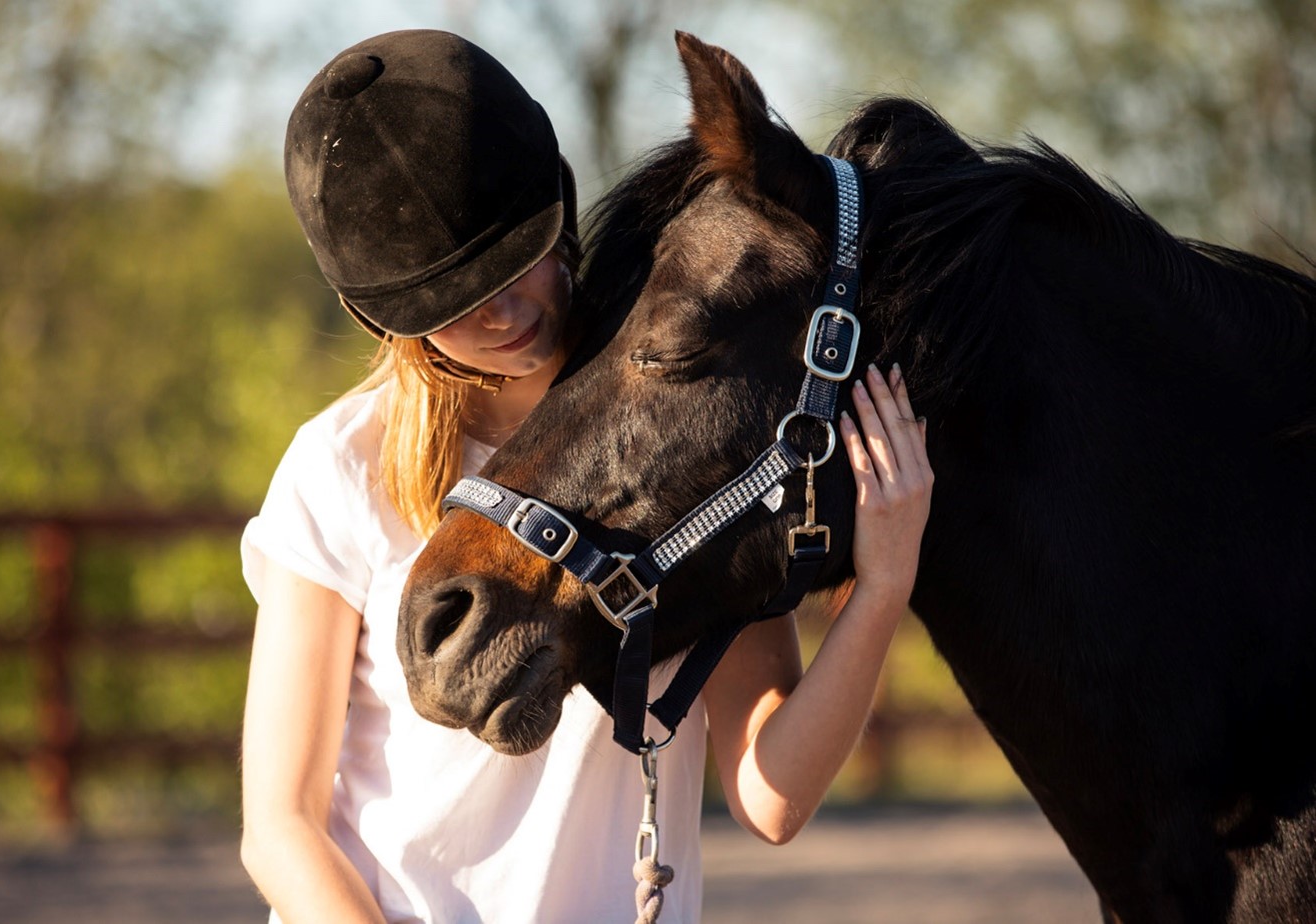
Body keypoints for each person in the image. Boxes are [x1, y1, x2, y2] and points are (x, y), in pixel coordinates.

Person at [239, 29, 933, 924]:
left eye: (516, 260)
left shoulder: (676, 451)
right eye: (453, 303)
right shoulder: (340, 468)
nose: (503, 310)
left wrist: (881, 589)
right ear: (389, 319)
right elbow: (280, 827)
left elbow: (772, 797)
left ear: (559, 210)